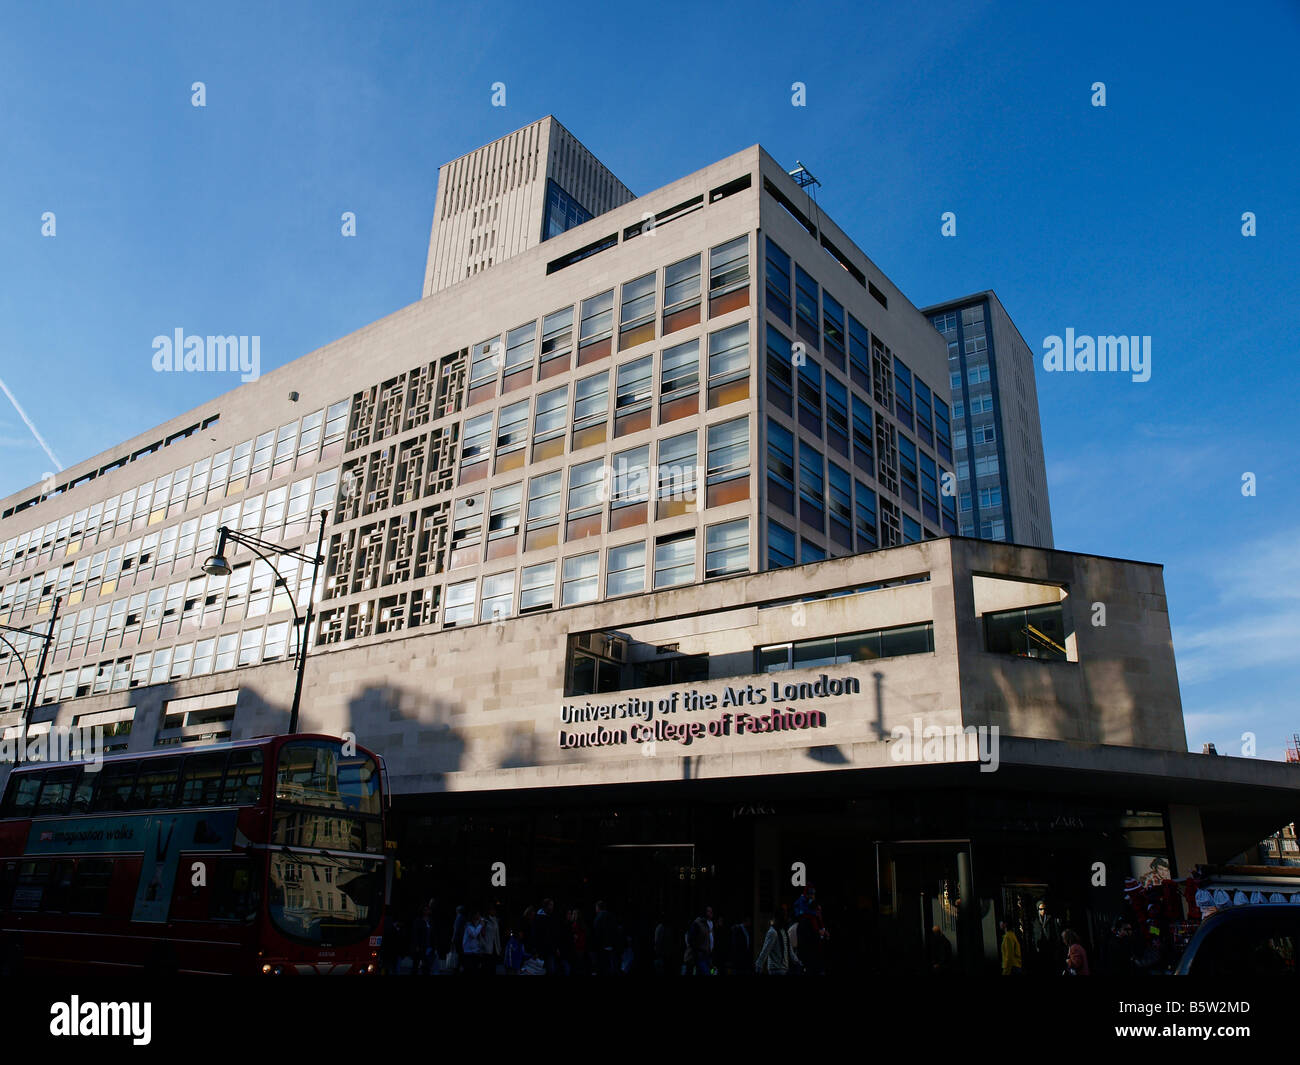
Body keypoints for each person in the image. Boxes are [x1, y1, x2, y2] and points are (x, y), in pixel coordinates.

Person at [1031, 900, 1061, 975]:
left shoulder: (1050, 919)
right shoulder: (1035, 921)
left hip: (1050, 946)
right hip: (1040, 947)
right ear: (1037, 910)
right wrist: (1035, 946)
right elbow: (1034, 935)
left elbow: (1055, 933)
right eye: (1040, 909)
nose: (1042, 911)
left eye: (1044, 909)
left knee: (1051, 966)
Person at [684, 907, 714, 976]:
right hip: (700, 954)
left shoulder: (709, 924)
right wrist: (697, 951)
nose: (711, 913)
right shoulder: (697, 923)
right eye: (709, 912)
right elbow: (690, 940)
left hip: (707, 954)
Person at [592, 900, 618, 976]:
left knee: (603, 968)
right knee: (612, 967)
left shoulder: (598, 918)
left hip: (602, 947)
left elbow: (597, 933)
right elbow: (615, 930)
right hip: (612, 945)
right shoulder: (611, 916)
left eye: (596, 907)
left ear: (598, 908)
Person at [480, 905, 502, 975]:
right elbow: (481, 934)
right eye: (492, 910)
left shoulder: (495, 920)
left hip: (494, 946)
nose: (494, 912)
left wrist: (499, 946)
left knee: (493, 966)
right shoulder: (484, 920)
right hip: (487, 946)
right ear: (489, 911)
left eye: (494, 910)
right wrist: (483, 944)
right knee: (487, 966)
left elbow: (497, 934)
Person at [462, 910, 485, 974]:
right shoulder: (468, 925)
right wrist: (480, 925)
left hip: (475, 952)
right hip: (468, 952)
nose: (479, 917)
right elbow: (474, 934)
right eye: (477, 915)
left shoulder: (476, 925)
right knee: (469, 970)